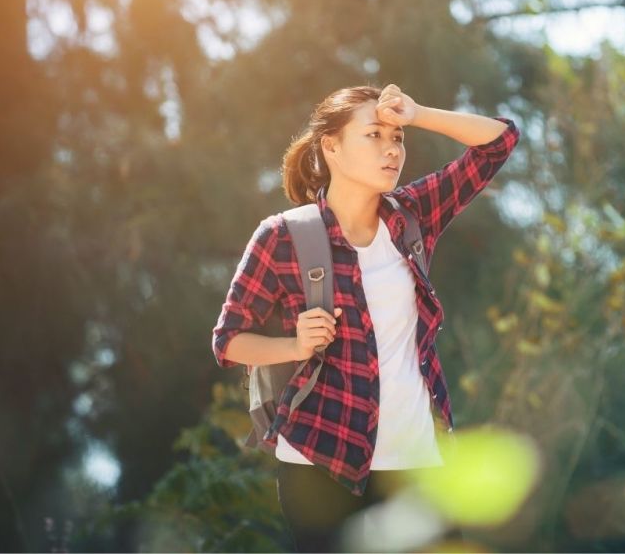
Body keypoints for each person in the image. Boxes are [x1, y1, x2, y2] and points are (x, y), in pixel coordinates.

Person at [211, 83, 520, 551]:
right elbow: (228, 340)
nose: (391, 149)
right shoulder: (282, 236)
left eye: (396, 139)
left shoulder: (413, 216)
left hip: (419, 464)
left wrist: (414, 113)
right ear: (331, 147)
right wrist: (295, 346)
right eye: (374, 136)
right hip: (322, 466)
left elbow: (499, 141)